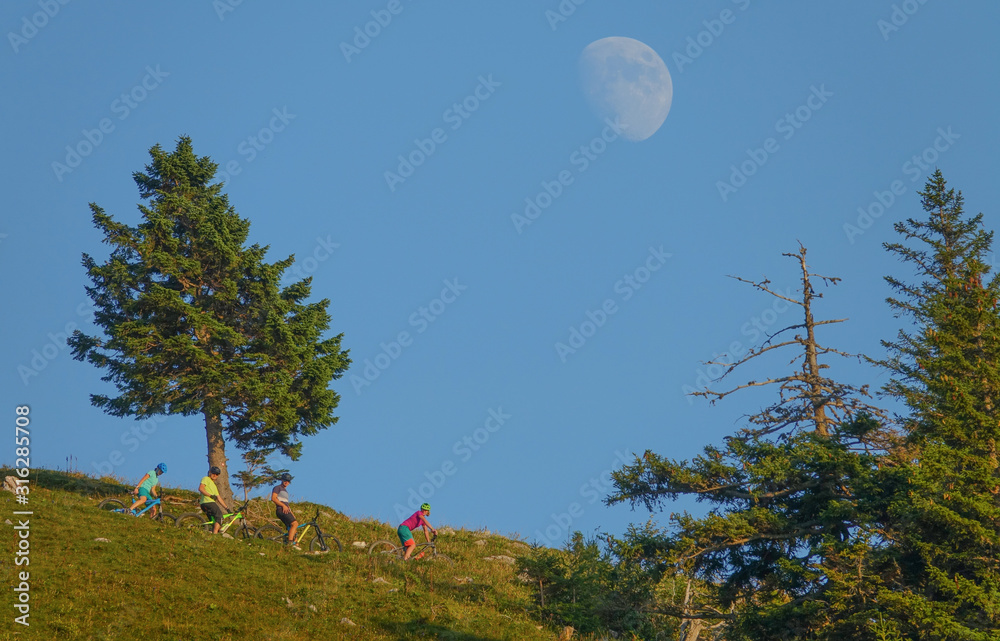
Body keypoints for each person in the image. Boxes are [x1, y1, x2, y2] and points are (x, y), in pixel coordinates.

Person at [270, 473, 299, 549]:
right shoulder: (277, 488)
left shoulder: (285, 491)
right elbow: (273, 498)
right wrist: (283, 506)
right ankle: (290, 543)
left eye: (288, 481)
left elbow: (287, 505)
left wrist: (291, 513)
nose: (286, 482)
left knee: (293, 528)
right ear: (282, 480)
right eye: (285, 480)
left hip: (286, 510)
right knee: (295, 524)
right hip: (281, 510)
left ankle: (295, 544)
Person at [198, 466, 229, 534]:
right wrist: (210, 496)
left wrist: (226, 508)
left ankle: (211, 531)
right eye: (213, 473)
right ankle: (214, 534)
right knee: (220, 517)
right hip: (209, 502)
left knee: (214, 521)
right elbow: (201, 488)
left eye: (217, 474)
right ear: (210, 473)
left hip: (204, 504)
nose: (215, 475)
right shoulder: (206, 479)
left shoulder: (214, 486)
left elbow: (219, 498)